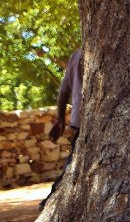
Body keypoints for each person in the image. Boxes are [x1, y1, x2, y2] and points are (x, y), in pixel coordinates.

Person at [41, 47, 83, 211]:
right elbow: (64, 91)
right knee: (73, 162)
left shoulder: (76, 55)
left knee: (75, 158)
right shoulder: (90, 51)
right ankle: (51, 201)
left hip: (78, 118)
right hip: (89, 118)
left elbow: (63, 91)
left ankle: (50, 200)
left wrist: (60, 119)